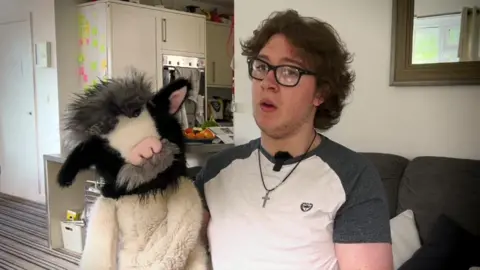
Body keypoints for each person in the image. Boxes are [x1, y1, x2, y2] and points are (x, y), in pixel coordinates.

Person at [195, 9, 393, 270]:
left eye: (289, 72)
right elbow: (170, 251)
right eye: (262, 66)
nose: (268, 82)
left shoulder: (353, 176)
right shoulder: (216, 171)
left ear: (320, 93)